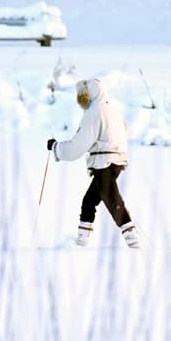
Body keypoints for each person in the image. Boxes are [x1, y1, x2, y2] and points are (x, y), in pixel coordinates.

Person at [47, 78, 139, 249]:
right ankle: (81, 241)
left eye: (83, 96)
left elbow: (79, 144)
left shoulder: (94, 112)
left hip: (104, 162)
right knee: (89, 201)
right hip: (117, 161)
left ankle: (132, 240)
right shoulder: (113, 109)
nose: (82, 100)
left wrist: (56, 147)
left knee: (113, 201)